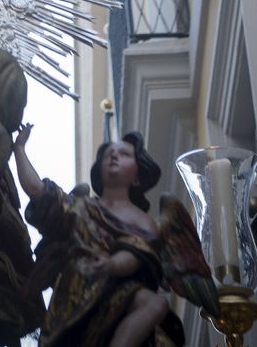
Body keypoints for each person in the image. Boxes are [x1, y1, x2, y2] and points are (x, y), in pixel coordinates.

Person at [12, 125, 218, 347]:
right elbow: (37, 190)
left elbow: (138, 255)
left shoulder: (143, 221)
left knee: (155, 305)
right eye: (109, 153)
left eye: (124, 154)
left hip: (118, 290)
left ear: (138, 177)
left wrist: (111, 265)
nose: (114, 156)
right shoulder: (80, 206)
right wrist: (19, 149)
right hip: (77, 292)